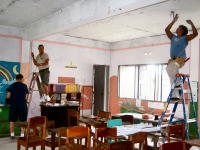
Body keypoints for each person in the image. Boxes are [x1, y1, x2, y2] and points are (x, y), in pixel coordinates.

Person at [165, 14, 198, 99]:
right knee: (171, 72)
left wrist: (191, 23)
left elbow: (195, 33)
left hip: (180, 59)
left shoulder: (185, 38)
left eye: (179, 28)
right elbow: (167, 30)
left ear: (182, 31)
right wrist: (173, 21)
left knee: (170, 69)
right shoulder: (173, 37)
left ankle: (178, 82)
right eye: (178, 28)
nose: (177, 29)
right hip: (172, 59)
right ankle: (175, 95)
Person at [6, 74, 28, 139]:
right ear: (22, 79)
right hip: (22, 105)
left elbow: (8, 96)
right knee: (23, 121)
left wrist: (8, 101)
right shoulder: (24, 86)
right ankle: (22, 135)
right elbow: (26, 96)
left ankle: (12, 135)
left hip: (14, 105)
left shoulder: (12, 85)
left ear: (16, 79)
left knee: (12, 120)